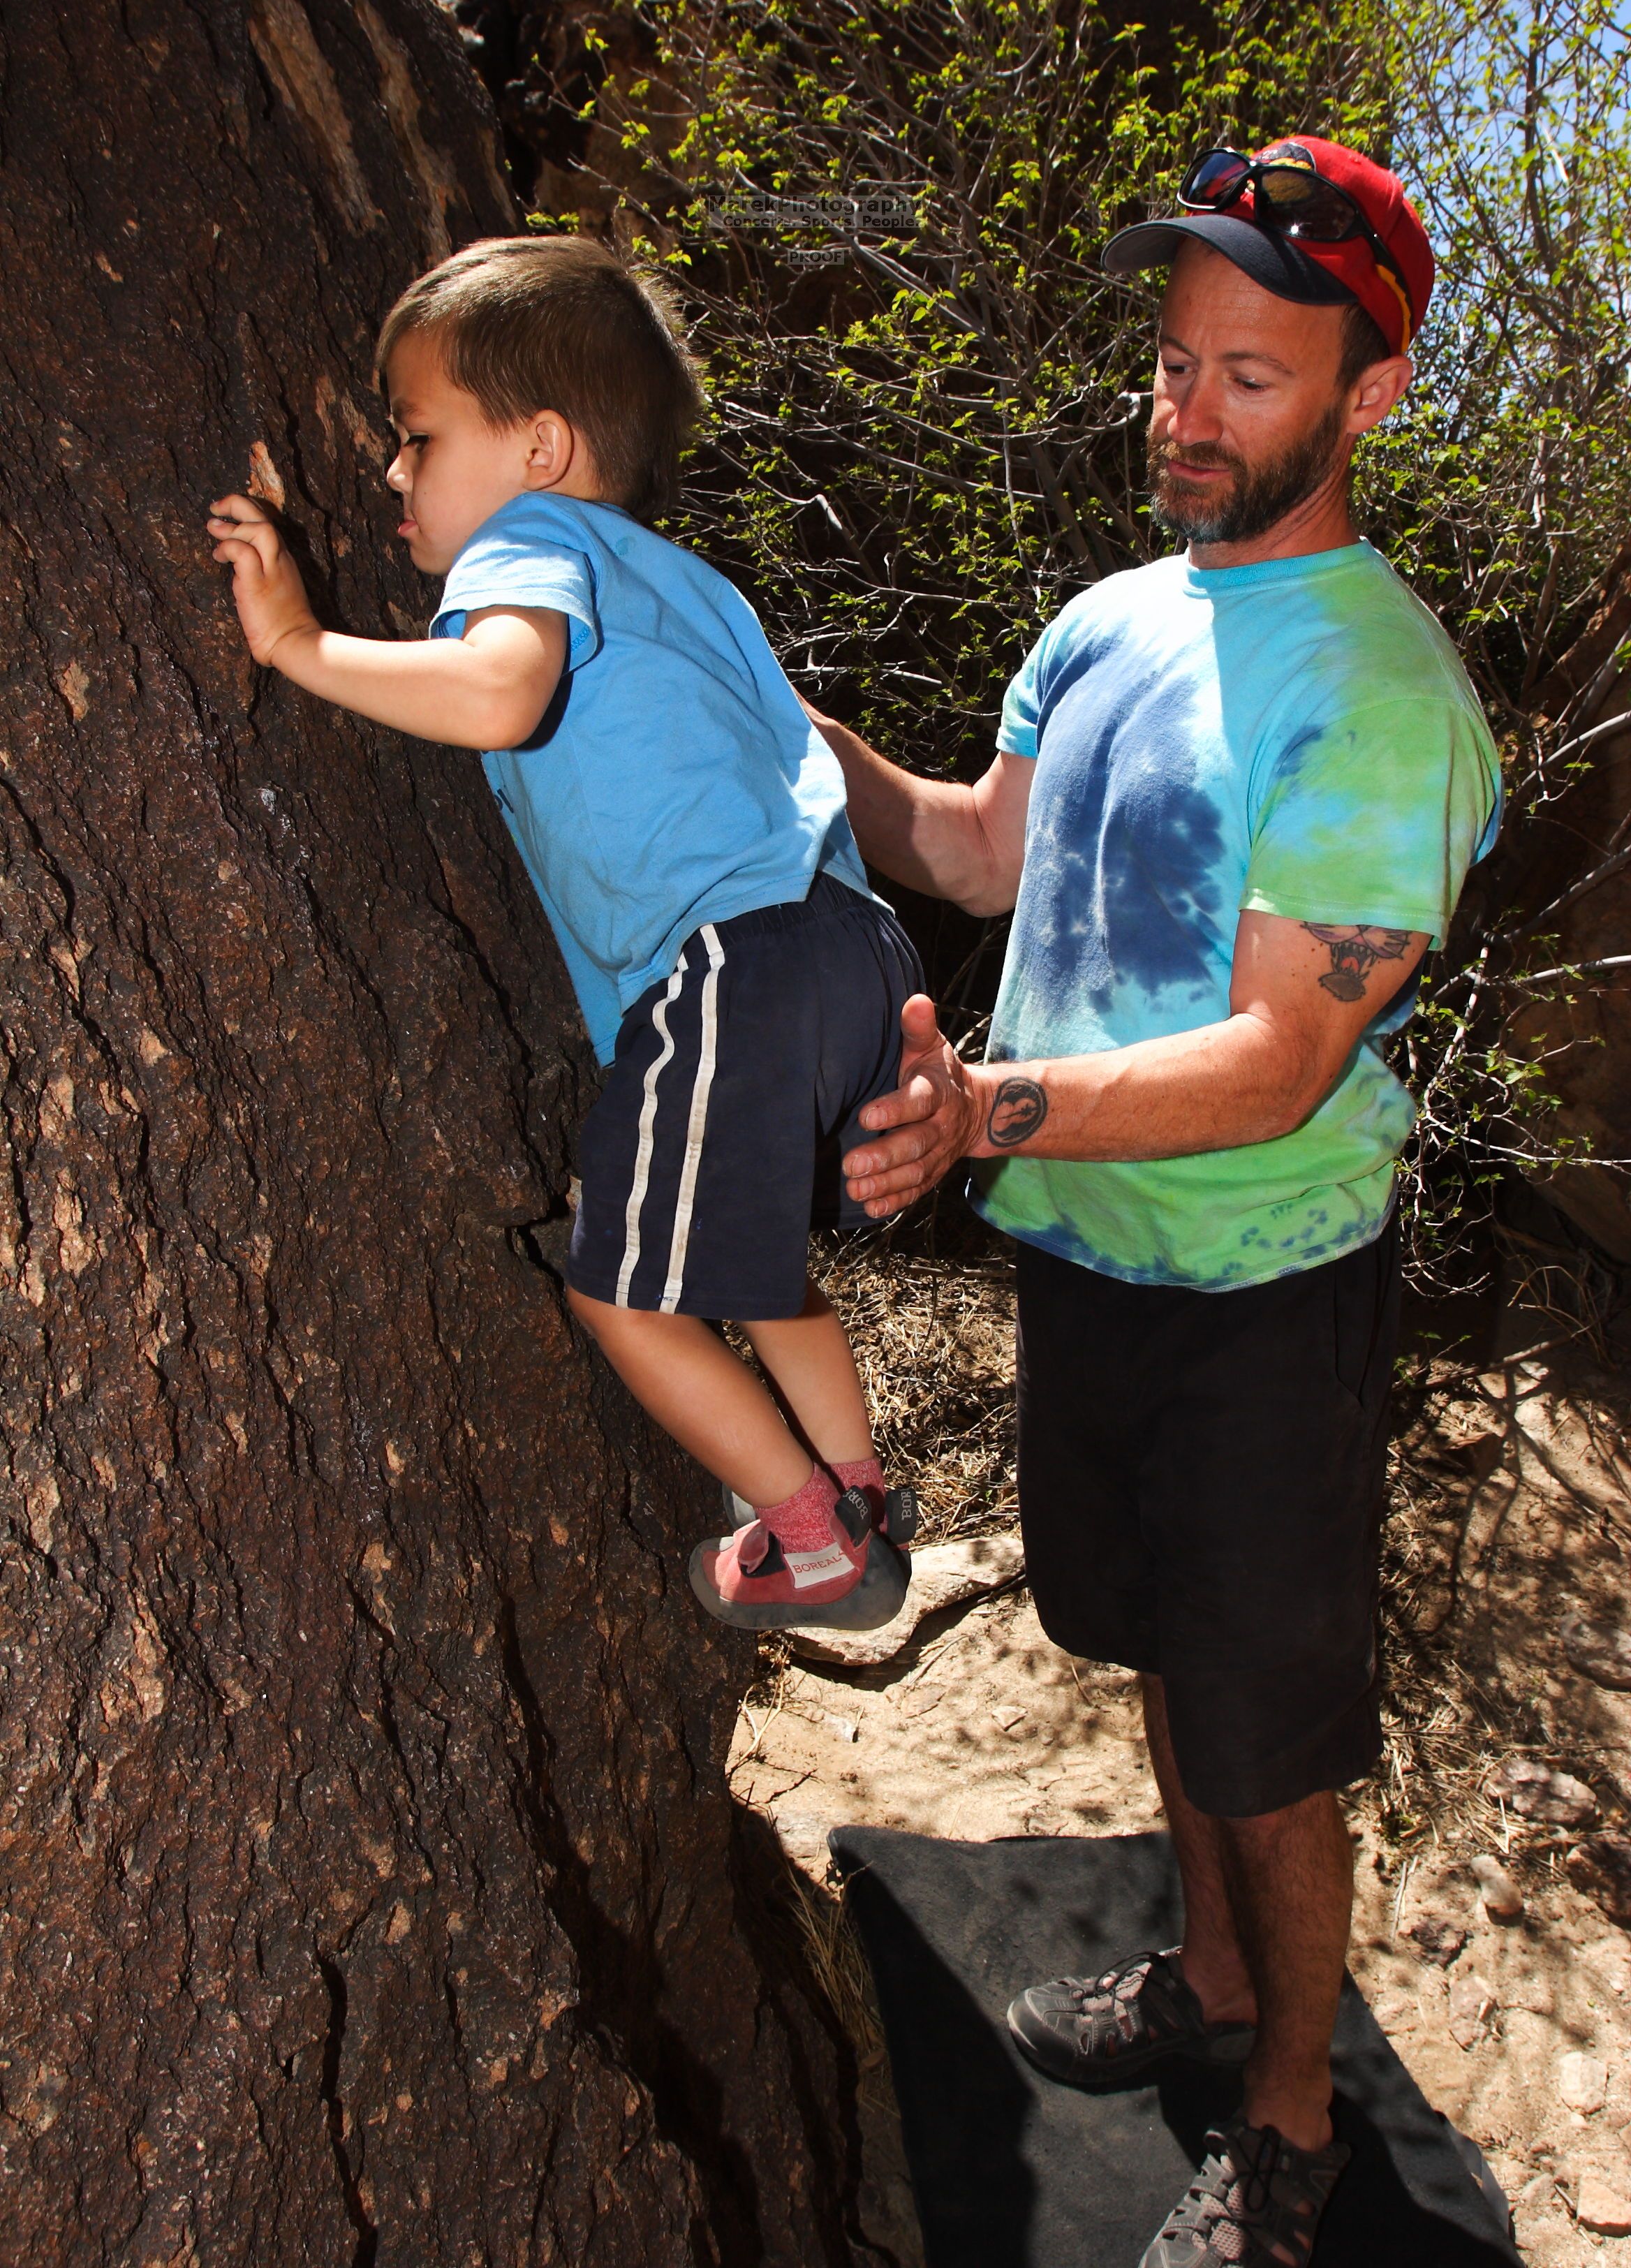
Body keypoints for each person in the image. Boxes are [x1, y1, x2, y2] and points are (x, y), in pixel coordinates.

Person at [819, 139, 1501, 2264]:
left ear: (1368, 398)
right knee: (1143, 1656)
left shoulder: (1381, 694)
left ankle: (1291, 2119)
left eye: (1250, 380)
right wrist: (763, 715)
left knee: (1267, 1741)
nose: (1184, 415)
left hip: (1264, 1301)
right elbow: (973, 851)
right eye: (1173, 364)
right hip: (1090, 1267)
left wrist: (987, 1109)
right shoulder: (1113, 618)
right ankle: (1206, 1981)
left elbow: (1281, 1059)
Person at [205, 235, 919, 1631]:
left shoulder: (534, 542)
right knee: (746, 1264)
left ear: (539, 447)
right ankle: (857, 1491)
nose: (395, 475)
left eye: (418, 437)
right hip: (841, 944)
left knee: (621, 1288)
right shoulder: (690, 586)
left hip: (733, 956)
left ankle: (811, 1538)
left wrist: (296, 643)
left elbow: (495, 696)